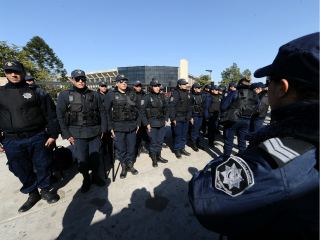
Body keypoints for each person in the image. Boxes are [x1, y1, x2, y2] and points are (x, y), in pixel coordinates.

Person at [189, 32, 319, 240]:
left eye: (269, 83)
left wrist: (226, 162)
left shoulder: (280, 158)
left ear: (282, 88)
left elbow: (204, 196)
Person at [0, 60, 60, 212]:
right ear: (5, 73)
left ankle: (45, 189)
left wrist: (53, 135)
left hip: (37, 136)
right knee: (20, 168)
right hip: (12, 140)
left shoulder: (36, 92)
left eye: (17, 71)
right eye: (9, 71)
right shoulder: (1, 93)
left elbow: (51, 114)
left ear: (22, 72)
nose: (13, 74)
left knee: (43, 164)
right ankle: (32, 193)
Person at [56, 69, 107, 193]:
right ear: (72, 80)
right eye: (77, 79)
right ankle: (86, 179)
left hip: (94, 133)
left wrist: (103, 129)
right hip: (76, 134)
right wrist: (66, 134)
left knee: (96, 158)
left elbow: (102, 112)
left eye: (82, 79)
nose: (80, 81)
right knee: (82, 160)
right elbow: (60, 116)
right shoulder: (65, 95)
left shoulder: (95, 94)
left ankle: (95, 176)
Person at [104, 75, 140, 179]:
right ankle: (124, 166)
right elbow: (106, 112)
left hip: (132, 126)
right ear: (116, 83)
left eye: (125, 81)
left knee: (131, 147)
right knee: (121, 148)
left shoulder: (132, 94)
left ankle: (130, 164)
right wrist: (110, 128)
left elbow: (138, 109)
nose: (124, 83)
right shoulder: (111, 95)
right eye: (121, 81)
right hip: (118, 127)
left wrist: (138, 123)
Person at [220, 77, 258, 159]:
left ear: (240, 83)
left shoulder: (235, 93)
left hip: (233, 119)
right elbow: (257, 108)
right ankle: (241, 160)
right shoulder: (254, 94)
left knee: (228, 141)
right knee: (242, 142)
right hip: (247, 120)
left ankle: (225, 159)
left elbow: (223, 106)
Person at [140, 78, 169, 167]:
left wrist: (166, 119)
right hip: (152, 123)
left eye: (158, 86)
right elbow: (142, 111)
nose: (157, 88)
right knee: (153, 142)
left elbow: (166, 108)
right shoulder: (147, 97)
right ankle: (154, 159)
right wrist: (146, 124)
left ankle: (159, 156)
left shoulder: (162, 96)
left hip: (161, 122)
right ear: (151, 87)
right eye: (155, 86)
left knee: (160, 141)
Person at [169, 79, 192, 158]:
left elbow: (189, 106)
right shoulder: (175, 93)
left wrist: (189, 116)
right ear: (179, 85)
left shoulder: (187, 93)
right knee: (178, 135)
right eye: (184, 84)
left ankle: (182, 148)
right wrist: (173, 118)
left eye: (186, 84)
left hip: (186, 117)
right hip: (178, 118)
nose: (186, 85)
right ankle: (177, 149)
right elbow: (171, 106)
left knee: (184, 134)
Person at [132, 80, 149, 156]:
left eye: (139, 86)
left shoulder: (144, 94)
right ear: (134, 87)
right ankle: (137, 149)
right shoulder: (131, 94)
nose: (138, 87)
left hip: (143, 118)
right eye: (137, 86)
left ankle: (143, 147)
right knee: (136, 135)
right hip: (136, 118)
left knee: (144, 134)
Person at [190, 83, 205, 151]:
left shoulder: (201, 95)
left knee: (199, 130)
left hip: (200, 115)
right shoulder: (191, 95)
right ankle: (194, 144)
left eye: (200, 88)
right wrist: (191, 117)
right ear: (194, 88)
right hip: (194, 115)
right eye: (198, 88)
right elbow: (189, 107)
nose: (200, 89)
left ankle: (198, 143)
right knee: (194, 130)